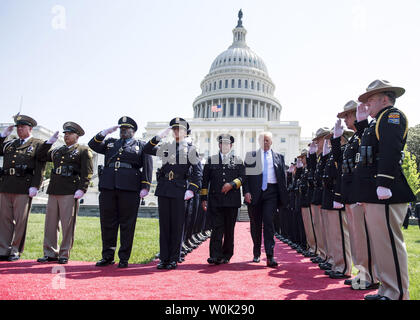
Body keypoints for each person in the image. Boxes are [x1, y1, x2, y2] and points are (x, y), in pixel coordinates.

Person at [354, 80, 415, 300]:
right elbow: (368, 151)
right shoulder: (377, 122)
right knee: (382, 247)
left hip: (386, 191)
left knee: (390, 244)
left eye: (371, 99)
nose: (367, 104)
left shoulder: (392, 116)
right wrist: (361, 125)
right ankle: (387, 289)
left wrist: (384, 182)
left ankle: (397, 293)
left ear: (385, 99)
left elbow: (390, 150)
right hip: (375, 192)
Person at [88, 116, 153, 268]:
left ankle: (124, 257)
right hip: (109, 186)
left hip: (130, 187)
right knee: (107, 222)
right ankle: (107, 255)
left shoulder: (142, 145)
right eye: (121, 129)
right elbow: (93, 145)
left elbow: (147, 166)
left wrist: (145, 186)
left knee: (127, 223)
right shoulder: (111, 144)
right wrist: (103, 133)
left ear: (133, 131)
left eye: (126, 129)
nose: (123, 131)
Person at [143, 118, 202, 270]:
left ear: (185, 132)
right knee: (164, 225)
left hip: (180, 189)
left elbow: (197, 173)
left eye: (180, 129)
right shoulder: (166, 147)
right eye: (174, 129)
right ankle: (164, 258)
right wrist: (158, 137)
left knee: (177, 226)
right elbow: (147, 149)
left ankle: (174, 258)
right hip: (164, 188)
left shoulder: (190, 149)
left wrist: (191, 189)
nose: (177, 131)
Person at [332, 100, 378, 290]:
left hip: (360, 191)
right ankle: (362, 273)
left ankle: (370, 275)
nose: (347, 120)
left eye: (348, 116)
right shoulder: (354, 139)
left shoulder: (362, 135)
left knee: (363, 236)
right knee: (357, 238)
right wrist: (335, 141)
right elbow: (340, 163)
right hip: (352, 192)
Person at [0, 115, 57, 261]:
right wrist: (2, 136)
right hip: (6, 184)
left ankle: (15, 250)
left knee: (20, 221)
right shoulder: (10, 144)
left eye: (22, 127)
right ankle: (3, 249)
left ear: (30, 128)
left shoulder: (37, 144)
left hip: (23, 186)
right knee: (4, 220)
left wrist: (35, 185)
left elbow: (40, 165)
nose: (19, 129)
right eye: (18, 127)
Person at [37, 122, 93, 264]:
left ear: (77, 136)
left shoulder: (82, 151)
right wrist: (48, 143)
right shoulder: (57, 151)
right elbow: (40, 156)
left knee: (67, 224)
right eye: (65, 133)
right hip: (54, 189)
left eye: (69, 133)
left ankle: (63, 253)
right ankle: (50, 252)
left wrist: (82, 188)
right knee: (50, 223)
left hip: (70, 190)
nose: (66, 135)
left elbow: (87, 172)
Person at [243, 132, 288, 268]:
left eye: (267, 140)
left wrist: (283, 198)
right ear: (258, 142)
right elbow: (245, 177)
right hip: (255, 194)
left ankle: (270, 255)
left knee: (269, 222)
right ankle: (256, 251)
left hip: (271, 193)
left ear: (272, 142)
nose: (265, 142)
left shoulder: (279, 157)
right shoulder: (251, 156)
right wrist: (246, 192)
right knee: (255, 224)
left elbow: (283, 178)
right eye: (263, 140)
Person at [201, 134, 245, 264]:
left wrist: (232, 184)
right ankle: (215, 255)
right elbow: (205, 181)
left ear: (231, 146)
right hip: (216, 200)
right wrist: (204, 198)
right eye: (222, 143)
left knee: (229, 229)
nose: (224, 146)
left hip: (232, 201)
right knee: (216, 228)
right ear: (219, 145)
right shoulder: (211, 160)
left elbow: (243, 177)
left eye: (227, 144)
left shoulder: (237, 160)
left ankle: (227, 254)